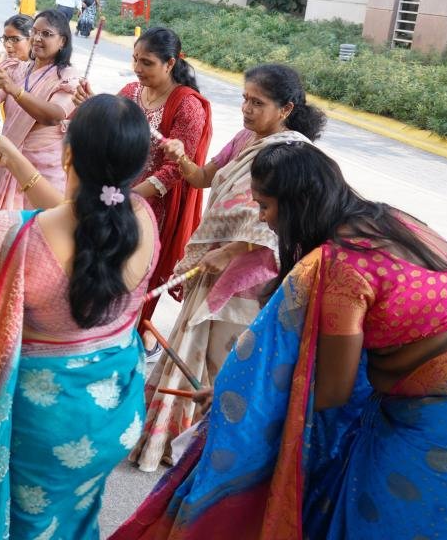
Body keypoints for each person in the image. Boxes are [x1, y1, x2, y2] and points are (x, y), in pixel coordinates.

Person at [115, 143, 447, 540]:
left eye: (265, 206)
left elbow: (332, 392)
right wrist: (235, 392)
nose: (262, 219)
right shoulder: (390, 221)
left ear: (298, 204)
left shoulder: (343, 265)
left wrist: (241, 401)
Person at [0, 94, 159, 539]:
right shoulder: (140, 219)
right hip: (113, 415)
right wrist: (16, 162)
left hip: (47, 429)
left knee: (28, 526)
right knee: (74, 517)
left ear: (67, 155)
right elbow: (77, 216)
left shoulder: (20, 239)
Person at [134, 63, 325, 472]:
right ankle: (176, 444)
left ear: (286, 109)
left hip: (248, 280)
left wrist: (229, 252)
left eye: (258, 103)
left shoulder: (293, 153)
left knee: (224, 367)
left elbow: (280, 222)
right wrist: (181, 157)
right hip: (213, 265)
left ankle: (213, 454)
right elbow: (204, 177)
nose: (247, 109)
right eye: (245, 99)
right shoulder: (244, 139)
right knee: (197, 357)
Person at [74, 28, 213, 333]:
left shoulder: (188, 106)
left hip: (152, 208)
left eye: (147, 62)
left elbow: (174, 170)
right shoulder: (130, 92)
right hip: (117, 195)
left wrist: (129, 197)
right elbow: (111, 131)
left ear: (170, 63)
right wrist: (92, 107)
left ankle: (131, 335)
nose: (137, 68)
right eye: (135, 59)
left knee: (135, 277)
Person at [0, 9, 78, 210]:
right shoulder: (16, 68)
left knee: (41, 223)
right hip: (9, 160)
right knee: (12, 225)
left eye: (46, 34)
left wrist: (15, 90)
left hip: (44, 168)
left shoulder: (67, 76)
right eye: (34, 32)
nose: (37, 38)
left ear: (62, 41)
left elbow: (54, 115)